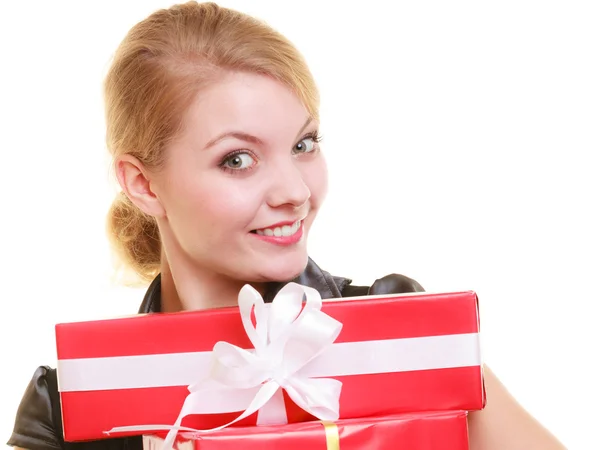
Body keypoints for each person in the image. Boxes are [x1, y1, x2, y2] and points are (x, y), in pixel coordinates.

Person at [7, 2, 567, 450]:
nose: (296, 193)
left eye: (303, 145)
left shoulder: (400, 335)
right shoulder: (73, 405)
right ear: (144, 184)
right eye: (238, 159)